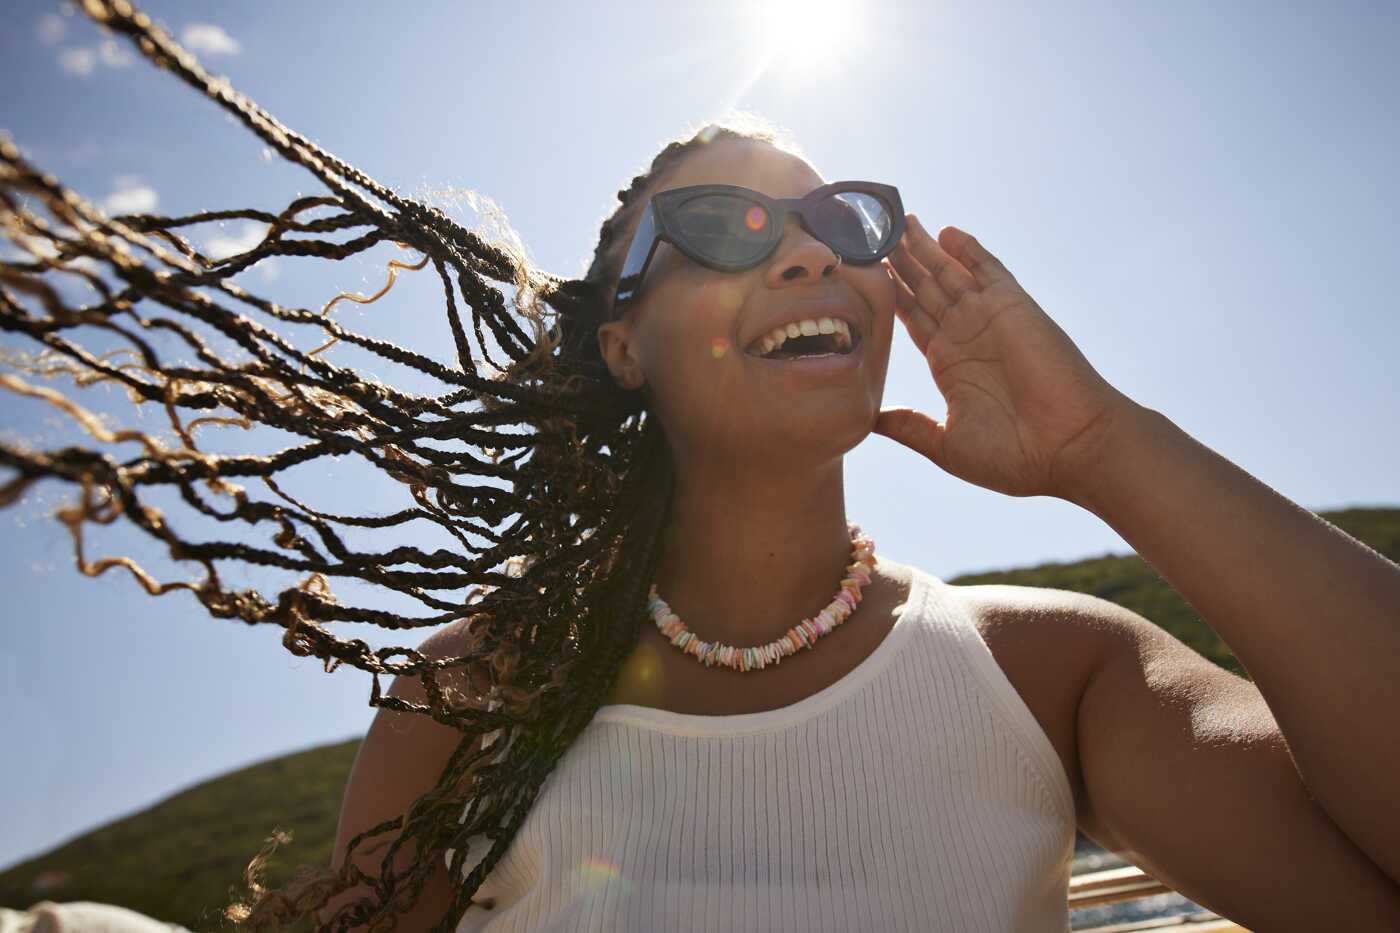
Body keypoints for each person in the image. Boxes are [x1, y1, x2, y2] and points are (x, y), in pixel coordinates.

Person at [5, 5, 1398, 931]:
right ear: (623, 341)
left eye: (837, 219)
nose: (804, 251)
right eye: (724, 229)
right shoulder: (475, 699)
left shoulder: (1052, 673)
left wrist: (1106, 449)